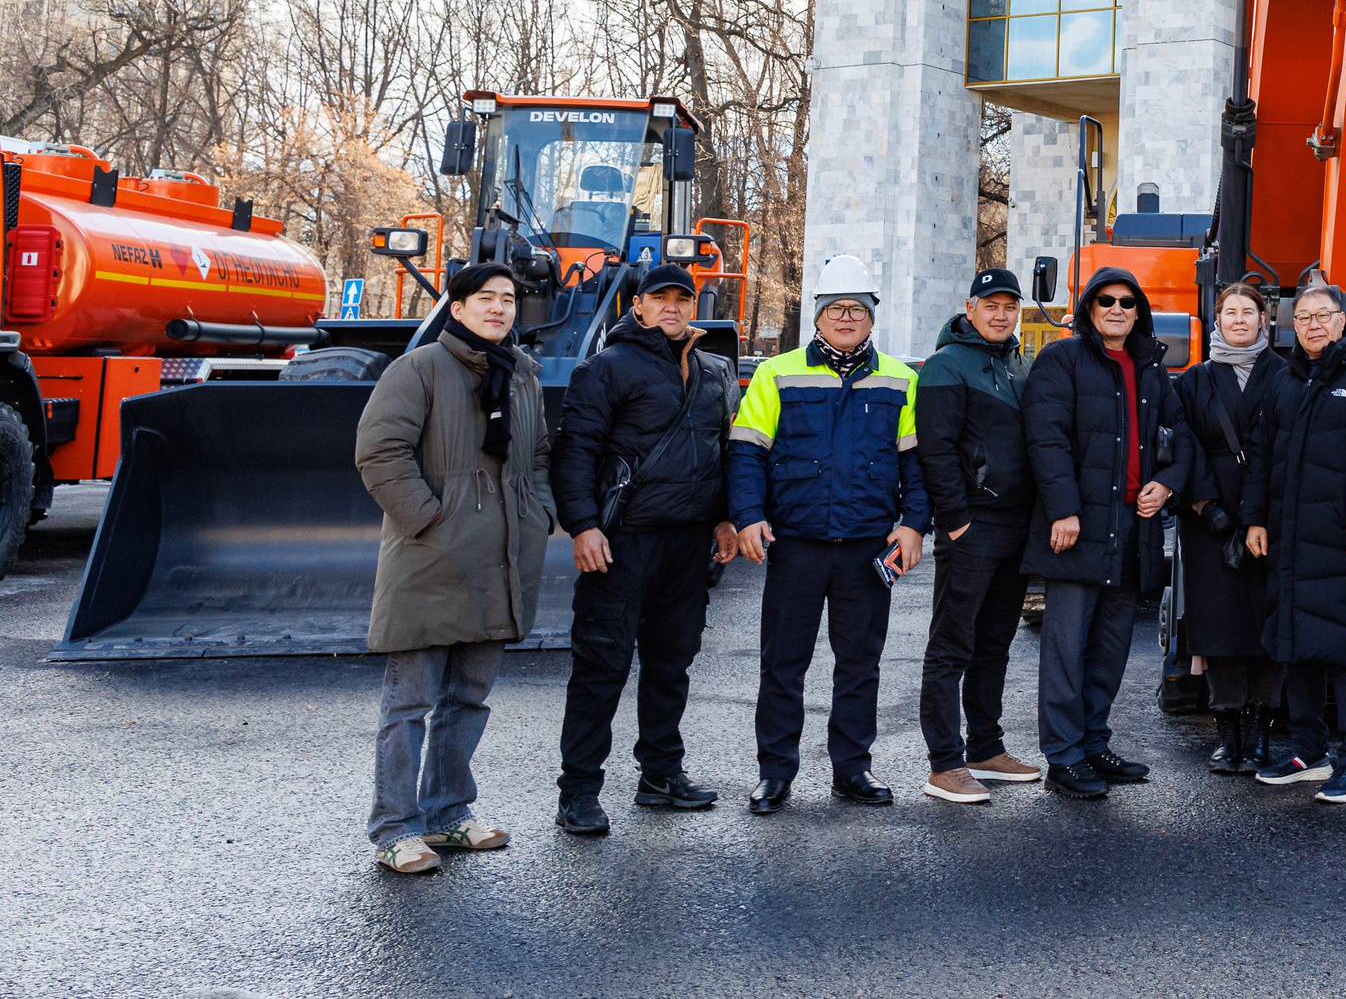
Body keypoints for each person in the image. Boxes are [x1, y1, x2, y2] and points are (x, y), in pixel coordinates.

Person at [355, 262, 553, 875]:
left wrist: (538, 512)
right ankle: (395, 828)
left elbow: (538, 454)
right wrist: (430, 520)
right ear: (458, 308)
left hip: (502, 559)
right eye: (485, 299)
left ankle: (447, 816)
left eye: (508, 300)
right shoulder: (417, 370)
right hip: (432, 559)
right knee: (409, 702)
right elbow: (379, 451)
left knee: (468, 698)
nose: (499, 309)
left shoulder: (522, 375)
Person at [729, 254, 927, 812]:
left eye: (857, 310)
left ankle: (852, 770)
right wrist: (748, 515)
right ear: (818, 315)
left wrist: (913, 525)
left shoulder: (900, 379)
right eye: (837, 309)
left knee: (860, 662)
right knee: (783, 663)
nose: (846, 319)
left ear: (871, 318)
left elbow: (917, 466)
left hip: (868, 545)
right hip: (796, 543)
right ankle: (775, 774)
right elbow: (746, 451)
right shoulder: (776, 372)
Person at [550, 262, 740, 837]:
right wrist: (583, 525)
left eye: (684, 298)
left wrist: (728, 518)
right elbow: (575, 451)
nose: (673, 307)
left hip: (689, 546)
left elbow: (727, 450)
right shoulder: (605, 368)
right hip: (622, 542)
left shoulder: (714, 371)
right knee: (601, 666)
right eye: (661, 299)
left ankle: (660, 775)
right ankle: (579, 791)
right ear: (638, 306)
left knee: (671, 663)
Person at [1242, 282, 1346, 805]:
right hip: (1291, 541)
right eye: (1304, 317)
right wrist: (1255, 520)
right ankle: (1308, 752)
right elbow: (1261, 456)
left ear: (1342, 321)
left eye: (1323, 316)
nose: (1313, 325)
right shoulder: (1285, 380)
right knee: (1298, 646)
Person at [1020, 265, 1181, 799]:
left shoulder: (1150, 369)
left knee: (1110, 648)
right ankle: (1063, 757)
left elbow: (1181, 437)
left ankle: (1093, 743)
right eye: (1106, 301)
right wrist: (1064, 509)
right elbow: (1046, 441)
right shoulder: (1061, 360)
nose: (1117, 310)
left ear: (1139, 312)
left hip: (1131, 531)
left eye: (1127, 302)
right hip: (1078, 528)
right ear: (1089, 309)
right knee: (1066, 647)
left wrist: (1168, 483)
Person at [910, 267, 1046, 805]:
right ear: (970, 309)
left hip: (1016, 526)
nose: (1000, 314)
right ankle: (944, 763)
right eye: (990, 305)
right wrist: (956, 518)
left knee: (995, 644)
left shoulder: (1019, 364)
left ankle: (985, 749)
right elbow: (936, 450)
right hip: (973, 527)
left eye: (1009, 306)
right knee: (952, 645)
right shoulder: (947, 366)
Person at [1164, 281, 1289, 774]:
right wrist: (1202, 503)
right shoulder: (1194, 380)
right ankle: (1227, 734)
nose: (1239, 319)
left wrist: (1270, 512)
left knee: (1266, 624)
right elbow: (1181, 444)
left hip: (1270, 520)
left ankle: (1260, 734)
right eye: (1229, 312)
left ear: (1264, 319)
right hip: (1209, 521)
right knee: (1218, 628)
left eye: (1248, 311)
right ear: (1217, 321)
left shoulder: (1285, 374)